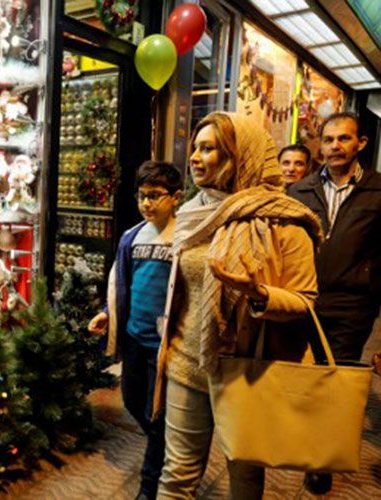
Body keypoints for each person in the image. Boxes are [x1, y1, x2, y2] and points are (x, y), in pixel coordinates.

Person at [154, 112, 322, 499]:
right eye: (195, 148)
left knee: (244, 479)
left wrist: (259, 294)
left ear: (238, 155)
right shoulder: (192, 212)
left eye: (208, 148)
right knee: (176, 476)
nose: (195, 157)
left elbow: (305, 299)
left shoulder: (285, 221)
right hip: (185, 359)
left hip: (246, 369)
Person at [288, 111, 381, 495]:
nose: (335, 147)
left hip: (352, 306)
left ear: (360, 143)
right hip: (302, 302)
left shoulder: (378, 191)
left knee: (334, 383)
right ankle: (302, 444)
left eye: (343, 139)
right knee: (303, 380)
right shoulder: (299, 191)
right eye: (328, 140)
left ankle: (320, 460)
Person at [88, 160, 183, 500]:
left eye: (155, 196)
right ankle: (167, 442)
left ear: (176, 197)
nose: (146, 203)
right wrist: (107, 314)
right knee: (131, 399)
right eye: (142, 196)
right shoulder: (131, 237)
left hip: (166, 346)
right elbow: (118, 284)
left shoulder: (184, 238)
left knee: (156, 415)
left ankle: (149, 485)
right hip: (134, 339)